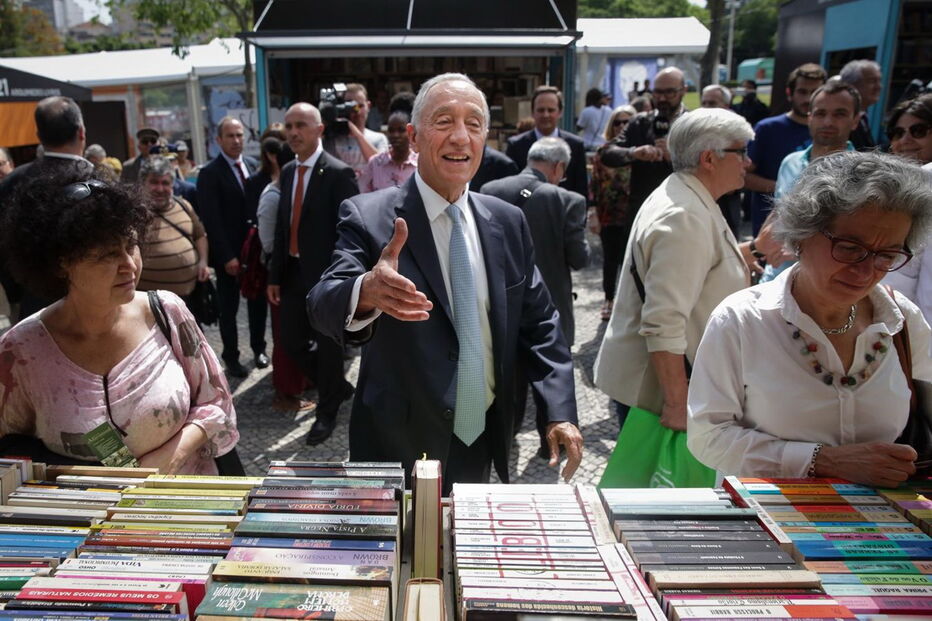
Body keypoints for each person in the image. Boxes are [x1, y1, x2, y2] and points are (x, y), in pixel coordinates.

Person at [306, 73, 583, 492]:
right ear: (414, 137)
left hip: (482, 434)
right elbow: (321, 302)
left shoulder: (507, 222)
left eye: (473, 124)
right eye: (444, 122)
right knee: (402, 553)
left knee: (463, 551)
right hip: (398, 440)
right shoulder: (370, 216)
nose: (460, 137)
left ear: (485, 139)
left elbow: (541, 322)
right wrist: (364, 292)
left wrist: (559, 410)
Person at [688, 151, 932, 488]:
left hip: (885, 530)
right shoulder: (742, 320)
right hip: (770, 528)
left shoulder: (902, 319)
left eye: (887, 255)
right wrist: (823, 461)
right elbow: (707, 436)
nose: (866, 271)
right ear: (802, 234)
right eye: (849, 248)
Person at [0, 172, 239, 474]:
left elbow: (217, 402)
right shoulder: (20, 351)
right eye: (107, 254)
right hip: (88, 515)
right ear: (62, 264)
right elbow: (9, 444)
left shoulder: (166, 311)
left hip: (192, 503)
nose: (129, 265)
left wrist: (172, 456)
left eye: (131, 245)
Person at [594, 108, 753, 431]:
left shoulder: (685, 195)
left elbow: (701, 265)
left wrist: (755, 251)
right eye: (742, 152)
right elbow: (663, 319)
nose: (748, 162)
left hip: (664, 383)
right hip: (658, 395)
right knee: (651, 482)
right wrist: (678, 403)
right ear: (709, 158)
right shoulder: (684, 215)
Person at [480, 136, 589, 456]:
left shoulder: (490, 191)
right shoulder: (568, 199)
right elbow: (579, 259)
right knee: (547, 368)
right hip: (549, 301)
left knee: (506, 371)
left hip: (499, 300)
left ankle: (505, 433)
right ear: (558, 167)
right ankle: (550, 441)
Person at [267, 102, 359, 445]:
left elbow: (350, 231)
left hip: (327, 277)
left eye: (301, 125)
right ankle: (333, 384)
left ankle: (327, 410)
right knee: (290, 341)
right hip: (291, 272)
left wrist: (342, 278)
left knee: (328, 344)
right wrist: (274, 275)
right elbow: (282, 226)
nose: (293, 133)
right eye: (288, 126)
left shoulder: (338, 172)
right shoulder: (288, 170)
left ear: (319, 130)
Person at [0, 96, 93, 322]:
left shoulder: (13, 182)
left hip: (34, 306)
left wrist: (18, 291)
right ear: (81, 132)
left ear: (39, 137)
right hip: (92, 304)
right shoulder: (96, 180)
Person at [760, 81, 862, 282]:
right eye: (820, 113)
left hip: (819, 289)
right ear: (809, 117)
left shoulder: (863, 174)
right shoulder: (791, 162)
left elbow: (854, 240)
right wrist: (759, 249)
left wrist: (798, 251)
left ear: (856, 120)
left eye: (839, 114)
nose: (828, 122)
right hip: (773, 279)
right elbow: (779, 211)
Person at [196, 117, 267, 378]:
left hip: (254, 253)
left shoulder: (251, 166)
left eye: (240, 135)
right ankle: (232, 357)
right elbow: (211, 220)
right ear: (218, 140)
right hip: (230, 256)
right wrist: (226, 256)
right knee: (230, 309)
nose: (236, 141)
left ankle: (259, 349)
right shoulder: (210, 173)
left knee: (258, 304)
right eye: (230, 136)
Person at [254, 136, 311, 413]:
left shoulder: (287, 193)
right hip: (281, 278)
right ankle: (285, 395)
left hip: (295, 278)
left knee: (296, 335)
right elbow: (268, 243)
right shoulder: (273, 197)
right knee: (284, 337)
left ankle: (296, 386)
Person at [598, 67, 689, 232]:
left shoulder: (694, 125)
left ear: (684, 91)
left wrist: (674, 158)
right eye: (657, 92)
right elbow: (607, 153)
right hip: (643, 211)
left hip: (683, 212)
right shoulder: (640, 122)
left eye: (669, 93)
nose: (662, 98)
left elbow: (708, 167)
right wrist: (634, 152)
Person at [745, 63, 826, 235]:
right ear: (790, 93)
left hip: (815, 231)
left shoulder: (830, 131)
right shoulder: (767, 129)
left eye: (814, 92)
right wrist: (784, 187)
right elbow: (744, 176)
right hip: (770, 232)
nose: (807, 99)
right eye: (802, 91)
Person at [137, 156, 210, 313]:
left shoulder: (184, 206)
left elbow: (200, 235)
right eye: (154, 182)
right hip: (150, 306)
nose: (160, 188)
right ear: (143, 183)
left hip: (188, 300)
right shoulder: (134, 214)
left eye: (165, 183)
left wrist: (203, 262)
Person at [883, 94, 932, 325]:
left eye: (918, 130)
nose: (905, 140)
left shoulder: (927, 179)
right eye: (897, 133)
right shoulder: (887, 186)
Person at [589, 105, 635, 321]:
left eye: (627, 122)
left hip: (633, 215)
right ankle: (609, 298)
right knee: (610, 260)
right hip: (609, 214)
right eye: (618, 122)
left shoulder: (639, 152)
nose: (622, 126)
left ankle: (629, 303)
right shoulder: (603, 152)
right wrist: (593, 213)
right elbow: (595, 184)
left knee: (633, 260)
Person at [505, 85, 588, 197]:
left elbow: (581, 188)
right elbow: (511, 187)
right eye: (541, 110)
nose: (545, 115)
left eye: (551, 110)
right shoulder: (516, 145)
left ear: (560, 112)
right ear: (532, 112)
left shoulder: (575, 145)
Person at [324, 83, 389, 179]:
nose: (356, 111)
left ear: (369, 106)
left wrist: (358, 135)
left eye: (360, 106)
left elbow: (380, 166)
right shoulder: (332, 138)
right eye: (351, 106)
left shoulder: (379, 138)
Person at [358, 111, 418, 193]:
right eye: (391, 130)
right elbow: (364, 194)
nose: (395, 135)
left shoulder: (420, 164)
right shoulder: (375, 163)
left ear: (410, 133)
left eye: (401, 130)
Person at [840, 59, 883, 151]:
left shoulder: (863, 116)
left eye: (879, 81)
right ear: (851, 85)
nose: (878, 87)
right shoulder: (841, 119)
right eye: (872, 81)